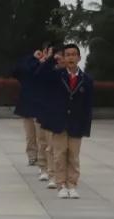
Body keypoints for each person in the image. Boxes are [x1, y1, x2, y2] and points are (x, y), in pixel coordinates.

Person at [34, 44, 94, 199]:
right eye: (67, 55)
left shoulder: (86, 80)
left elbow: (88, 106)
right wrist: (49, 60)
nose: (71, 57)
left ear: (79, 58)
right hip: (59, 122)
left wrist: (86, 127)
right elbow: (39, 76)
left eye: (74, 54)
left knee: (73, 155)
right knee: (59, 154)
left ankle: (72, 184)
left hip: (77, 123)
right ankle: (61, 184)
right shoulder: (57, 75)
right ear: (64, 58)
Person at [12, 52, 44, 173]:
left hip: (41, 106)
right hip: (27, 105)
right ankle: (32, 157)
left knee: (41, 136)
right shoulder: (27, 66)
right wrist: (32, 58)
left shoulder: (46, 66)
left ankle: (42, 158)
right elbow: (16, 71)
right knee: (30, 135)